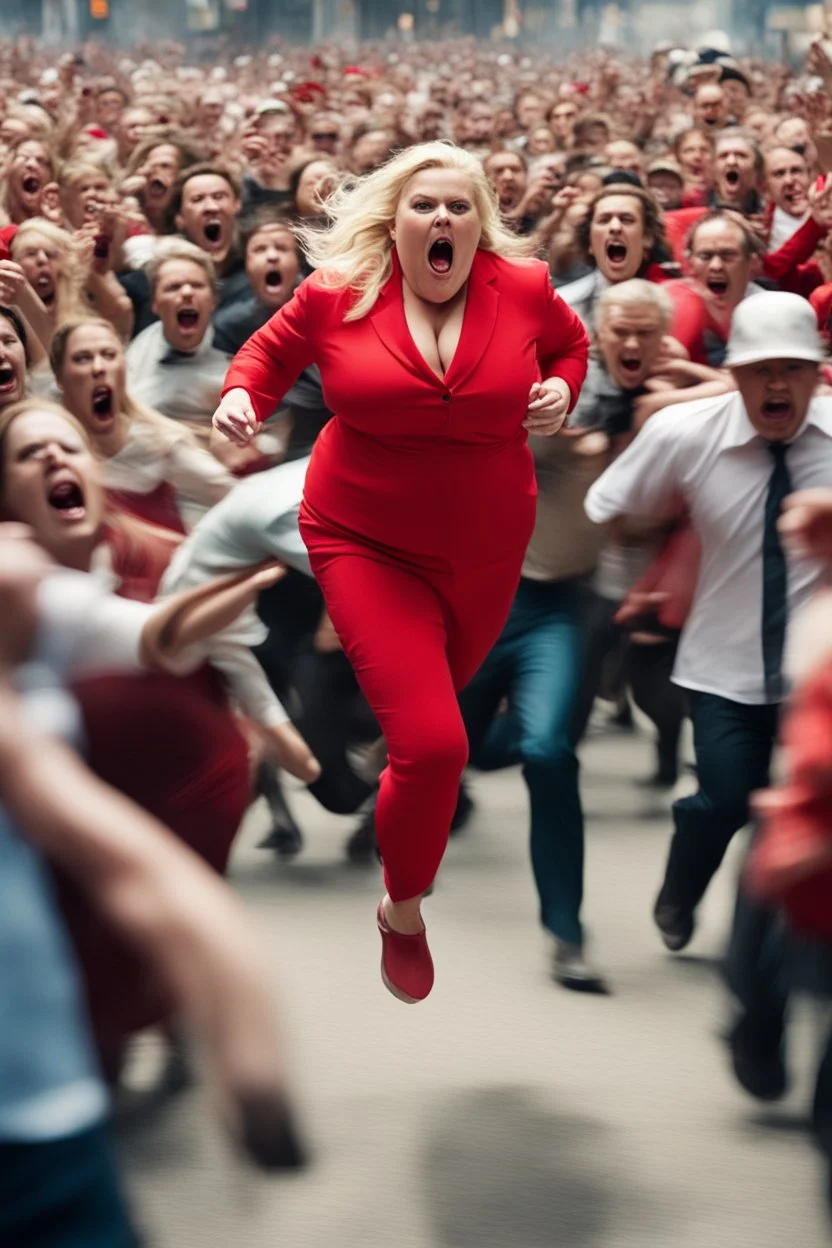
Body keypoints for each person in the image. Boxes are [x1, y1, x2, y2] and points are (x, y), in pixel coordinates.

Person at [211, 140, 589, 1004]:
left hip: (486, 550)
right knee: (435, 744)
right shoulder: (338, 294)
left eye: (460, 206)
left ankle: (399, 785)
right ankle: (403, 911)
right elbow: (266, 358)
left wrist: (561, 391)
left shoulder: (522, 290)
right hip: (362, 538)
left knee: (426, 738)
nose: (443, 220)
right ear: (396, 222)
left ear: (479, 222)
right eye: (426, 206)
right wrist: (242, 397)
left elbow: (573, 349)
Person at [584, 292, 832, 952]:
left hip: (817, 679)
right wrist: (661, 528)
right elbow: (608, 505)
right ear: (736, 374)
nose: (777, 384)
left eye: (793, 369)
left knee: (796, 820)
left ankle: (767, 955)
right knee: (723, 800)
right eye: (760, 370)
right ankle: (680, 892)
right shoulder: (688, 433)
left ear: (816, 373)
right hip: (724, 668)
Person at [52, 317, 233, 531]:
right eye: (82, 359)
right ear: (59, 379)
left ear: (124, 368)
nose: (99, 367)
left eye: (109, 355)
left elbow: (235, 495)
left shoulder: (160, 442)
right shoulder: (49, 451)